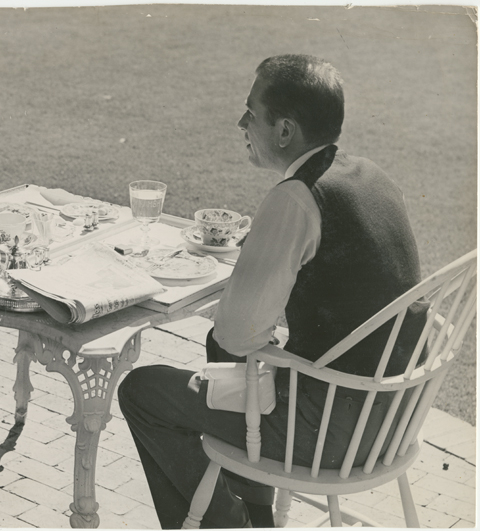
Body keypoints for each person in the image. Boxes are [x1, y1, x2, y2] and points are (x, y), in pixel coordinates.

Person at [118, 54, 428, 528]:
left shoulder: (296, 198)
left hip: (334, 430)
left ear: (284, 131)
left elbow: (239, 333)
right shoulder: (371, 174)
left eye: (251, 112)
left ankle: (228, 523)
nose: (241, 121)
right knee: (225, 351)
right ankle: (260, 516)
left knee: (143, 390)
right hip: (396, 414)